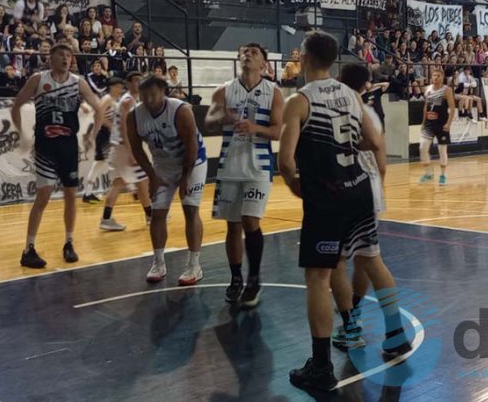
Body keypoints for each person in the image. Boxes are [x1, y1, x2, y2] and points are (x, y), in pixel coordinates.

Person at [279, 31, 400, 392]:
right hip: (359, 190)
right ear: (332, 60)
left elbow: (285, 163)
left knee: (318, 278)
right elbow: (375, 142)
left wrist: (301, 188)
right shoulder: (350, 94)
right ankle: (396, 335)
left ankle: (321, 366)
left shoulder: (299, 101)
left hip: (327, 197)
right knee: (372, 261)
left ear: (302, 57)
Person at [334, 64, 409, 356]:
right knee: (368, 259)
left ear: (339, 81)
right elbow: (381, 157)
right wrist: (377, 184)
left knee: (337, 262)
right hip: (371, 187)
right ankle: (394, 331)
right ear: (366, 85)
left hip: (346, 189)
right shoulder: (372, 113)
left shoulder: (337, 110)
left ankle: (351, 329)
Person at [206, 43, 283, 308]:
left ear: (264, 64)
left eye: (254, 52)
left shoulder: (273, 92)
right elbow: (209, 120)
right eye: (244, 52)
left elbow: (277, 132)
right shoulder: (224, 90)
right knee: (233, 225)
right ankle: (236, 277)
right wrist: (225, 117)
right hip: (230, 166)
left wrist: (254, 127)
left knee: (251, 221)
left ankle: (254, 278)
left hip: (259, 166)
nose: (247, 54)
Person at [12, 45, 103, 269]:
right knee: (43, 195)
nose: (65, 58)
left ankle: (69, 243)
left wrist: (92, 134)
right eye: (61, 54)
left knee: (71, 194)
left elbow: (99, 108)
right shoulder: (38, 79)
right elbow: (16, 105)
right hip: (45, 145)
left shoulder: (78, 82)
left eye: (68, 55)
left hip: (68, 145)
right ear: (50, 58)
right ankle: (28, 249)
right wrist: (21, 134)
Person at [127, 75, 207, 285]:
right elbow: (136, 149)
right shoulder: (134, 116)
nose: (149, 100)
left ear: (164, 92)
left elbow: (191, 148)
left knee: (190, 209)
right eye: (144, 96)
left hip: (193, 162)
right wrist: (152, 176)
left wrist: (185, 179)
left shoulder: (181, 111)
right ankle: (158, 262)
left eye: (152, 95)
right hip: (162, 165)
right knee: (158, 213)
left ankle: (194, 265)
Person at [100, 71, 152, 231]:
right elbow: (124, 127)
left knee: (119, 183)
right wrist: (131, 151)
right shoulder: (128, 100)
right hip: (124, 146)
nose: (138, 83)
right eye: (135, 80)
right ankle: (150, 215)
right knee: (142, 181)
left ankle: (106, 218)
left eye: (140, 80)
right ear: (128, 84)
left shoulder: (133, 100)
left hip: (119, 146)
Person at [82, 77, 125, 203]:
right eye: (118, 86)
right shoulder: (107, 99)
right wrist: (109, 126)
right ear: (112, 87)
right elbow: (98, 114)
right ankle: (135, 189)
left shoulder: (114, 100)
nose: (121, 89)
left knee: (99, 164)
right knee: (117, 162)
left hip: (109, 134)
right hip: (105, 134)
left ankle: (87, 193)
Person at [419, 68, 456, 185]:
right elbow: (426, 106)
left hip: (442, 124)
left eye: (438, 75)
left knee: (442, 150)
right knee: (422, 148)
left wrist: (448, 123)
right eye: (434, 75)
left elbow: (452, 108)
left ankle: (443, 175)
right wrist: (423, 122)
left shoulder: (447, 90)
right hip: (429, 124)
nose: (435, 77)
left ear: (442, 76)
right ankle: (428, 173)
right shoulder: (428, 89)